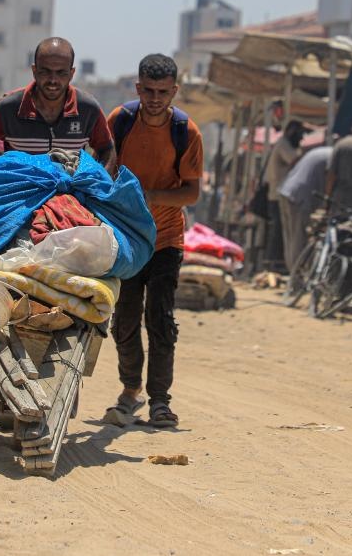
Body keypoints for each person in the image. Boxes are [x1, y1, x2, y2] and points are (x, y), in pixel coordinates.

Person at [105, 54, 203, 429]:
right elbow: (103, 169)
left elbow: (191, 193)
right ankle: (131, 390)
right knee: (124, 320)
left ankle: (160, 400)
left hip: (165, 240)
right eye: (149, 90)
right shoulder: (121, 121)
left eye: (163, 92)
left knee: (160, 321)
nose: (155, 98)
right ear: (138, 88)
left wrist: (150, 196)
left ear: (174, 91)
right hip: (127, 240)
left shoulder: (186, 132)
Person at [0, 37, 115, 173]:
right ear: (34, 71)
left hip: (70, 198)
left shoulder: (88, 109)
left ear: (72, 73)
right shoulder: (8, 108)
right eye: (45, 71)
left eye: (61, 73)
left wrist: (99, 184)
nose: (53, 80)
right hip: (20, 197)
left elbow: (107, 150)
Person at [278, 145, 332, 273]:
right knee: (299, 239)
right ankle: (296, 278)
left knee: (291, 238)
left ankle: (293, 274)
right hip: (300, 196)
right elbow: (330, 179)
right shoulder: (334, 157)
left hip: (288, 190)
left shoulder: (324, 152)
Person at [265, 119, 308, 270]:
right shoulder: (284, 144)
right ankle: (274, 264)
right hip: (278, 195)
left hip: (277, 194)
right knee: (279, 232)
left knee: (279, 231)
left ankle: (275, 263)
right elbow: (295, 160)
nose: (302, 138)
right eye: (300, 134)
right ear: (292, 132)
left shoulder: (283, 144)